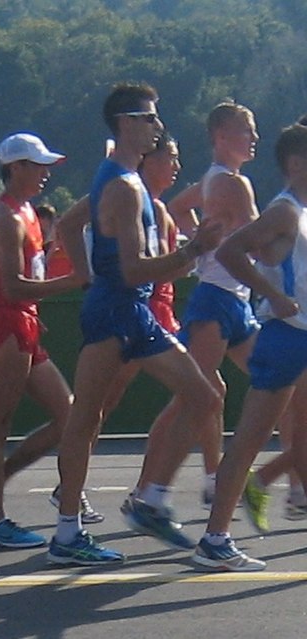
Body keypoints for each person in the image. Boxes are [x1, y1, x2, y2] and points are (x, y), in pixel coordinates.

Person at [47, 81, 223, 566]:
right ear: (126, 124)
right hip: (120, 310)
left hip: (125, 308)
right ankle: (79, 528)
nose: (157, 127)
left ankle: (144, 501)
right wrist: (190, 252)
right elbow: (131, 269)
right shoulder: (124, 187)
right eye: (148, 118)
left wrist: (88, 278)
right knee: (87, 420)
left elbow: (68, 226)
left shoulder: (124, 180)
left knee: (202, 396)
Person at [0, 132, 91, 549]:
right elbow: (14, 287)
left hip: (25, 324)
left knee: (69, 414)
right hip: (10, 325)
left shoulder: (28, 212)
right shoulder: (5, 216)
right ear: (15, 168)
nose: (45, 173)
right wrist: (69, 282)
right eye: (37, 166)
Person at [192, 122, 307, 572]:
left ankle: (225, 527)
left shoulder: (301, 211)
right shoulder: (284, 211)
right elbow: (229, 251)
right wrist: (273, 295)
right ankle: (214, 539)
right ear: (296, 164)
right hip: (285, 338)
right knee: (248, 440)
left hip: (301, 333)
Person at [167, 101, 261, 506]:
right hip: (218, 298)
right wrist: (201, 244)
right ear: (221, 137)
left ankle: (218, 477)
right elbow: (265, 239)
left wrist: (202, 241)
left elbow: (176, 208)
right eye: (246, 130)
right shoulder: (231, 183)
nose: (254, 138)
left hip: (235, 300)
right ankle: (150, 491)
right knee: (194, 397)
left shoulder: (214, 180)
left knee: (280, 381)